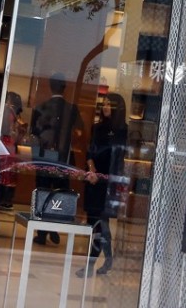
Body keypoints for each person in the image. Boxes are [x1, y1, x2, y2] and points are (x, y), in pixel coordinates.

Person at [29, 73, 83, 245]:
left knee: (43, 192)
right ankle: (56, 226)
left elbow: (34, 135)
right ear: (64, 87)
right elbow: (79, 132)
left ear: (51, 87)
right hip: (63, 158)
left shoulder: (40, 107)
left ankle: (42, 233)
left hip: (45, 157)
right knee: (60, 193)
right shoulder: (72, 109)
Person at [77, 93, 127, 277]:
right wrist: (92, 170)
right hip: (94, 181)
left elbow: (119, 160)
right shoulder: (97, 128)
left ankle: (92, 265)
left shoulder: (123, 131)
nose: (105, 106)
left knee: (101, 224)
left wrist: (104, 177)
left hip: (109, 183)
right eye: (104, 103)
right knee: (97, 224)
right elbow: (90, 152)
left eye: (109, 104)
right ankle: (108, 260)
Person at [0, 91, 24, 210]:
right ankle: (6, 199)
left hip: (5, 143)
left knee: (2, 171)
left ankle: (0, 198)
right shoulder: (16, 115)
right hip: (11, 145)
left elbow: (6, 129)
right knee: (9, 172)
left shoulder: (6, 110)